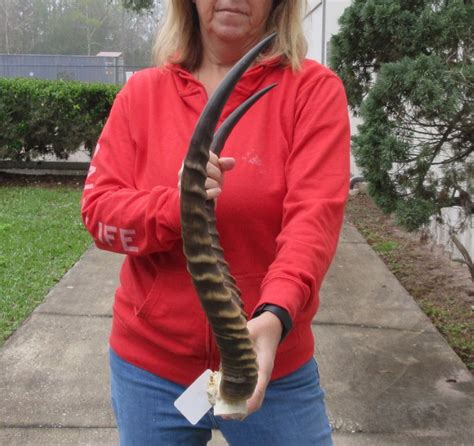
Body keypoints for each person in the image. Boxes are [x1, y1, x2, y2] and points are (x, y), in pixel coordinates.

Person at [81, 0, 350, 444]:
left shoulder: (312, 90)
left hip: (272, 363)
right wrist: (178, 204)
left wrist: (275, 315)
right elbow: (100, 215)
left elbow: (313, 221)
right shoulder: (141, 94)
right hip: (151, 373)